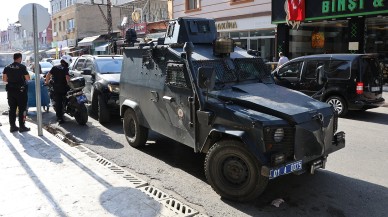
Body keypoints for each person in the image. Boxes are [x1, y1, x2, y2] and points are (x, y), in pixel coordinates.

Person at [2, 52, 31, 132]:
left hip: (11, 91)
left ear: (13, 58)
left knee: (12, 109)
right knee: (22, 109)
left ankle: (12, 126)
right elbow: (28, 78)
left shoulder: (7, 67)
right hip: (21, 91)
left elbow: (4, 80)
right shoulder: (22, 67)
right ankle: (22, 126)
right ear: (20, 58)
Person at [45, 55, 71, 124]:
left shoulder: (54, 67)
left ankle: (60, 118)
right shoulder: (65, 68)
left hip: (56, 88)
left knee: (58, 102)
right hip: (64, 88)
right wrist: (69, 83)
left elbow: (48, 75)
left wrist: (46, 82)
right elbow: (67, 78)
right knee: (64, 99)